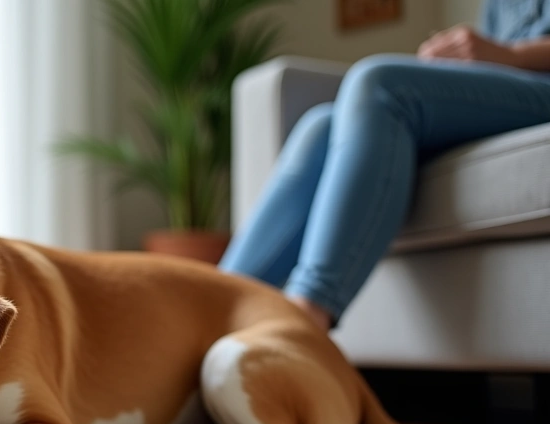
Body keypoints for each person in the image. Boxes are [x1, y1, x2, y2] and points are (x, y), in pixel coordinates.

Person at [219, 0, 550, 332]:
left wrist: (514, 55)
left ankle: (306, 315)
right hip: (511, 89)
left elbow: (508, 55)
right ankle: (210, 307)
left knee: (381, 84)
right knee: (320, 126)